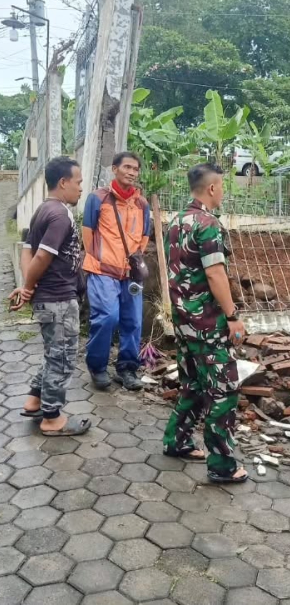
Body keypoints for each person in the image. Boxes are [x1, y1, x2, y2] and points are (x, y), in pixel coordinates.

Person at [161, 163, 249, 484]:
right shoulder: (208, 224)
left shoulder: (175, 221)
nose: (223, 192)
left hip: (183, 322)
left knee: (193, 386)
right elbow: (215, 274)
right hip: (208, 326)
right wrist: (233, 316)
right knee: (223, 391)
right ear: (212, 188)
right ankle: (222, 465)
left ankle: (177, 440)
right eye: (222, 186)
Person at [9, 157, 92, 437]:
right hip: (57, 299)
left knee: (53, 354)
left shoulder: (42, 210)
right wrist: (29, 286)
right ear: (63, 183)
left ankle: (34, 401)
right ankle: (52, 418)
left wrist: (27, 287)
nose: (81, 189)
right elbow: (42, 255)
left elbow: (27, 249)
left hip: (49, 297)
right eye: (78, 183)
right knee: (63, 358)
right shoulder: (60, 215)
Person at [81, 152, 150, 391]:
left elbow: (145, 236)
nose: (132, 172)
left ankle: (127, 369)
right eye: (127, 167)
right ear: (114, 168)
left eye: (136, 169)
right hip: (102, 270)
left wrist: (134, 261)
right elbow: (88, 233)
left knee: (133, 321)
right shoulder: (97, 199)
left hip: (130, 275)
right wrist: (100, 258)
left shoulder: (142, 204)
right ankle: (97, 366)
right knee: (108, 317)